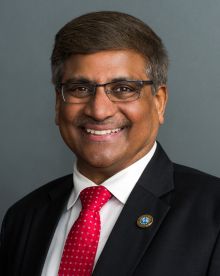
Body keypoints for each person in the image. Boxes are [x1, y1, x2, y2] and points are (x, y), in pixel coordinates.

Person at [1, 11, 220, 276]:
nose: (99, 110)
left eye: (124, 88)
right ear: (59, 104)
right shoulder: (23, 218)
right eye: (80, 89)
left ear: (159, 102)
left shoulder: (212, 213)